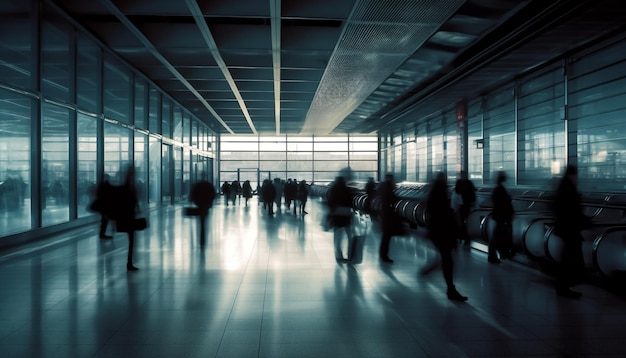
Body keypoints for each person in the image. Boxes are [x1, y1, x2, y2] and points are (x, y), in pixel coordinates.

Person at [426, 172, 467, 301]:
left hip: (438, 232)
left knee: (446, 258)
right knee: (447, 259)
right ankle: (451, 289)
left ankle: (450, 287)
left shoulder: (434, 194)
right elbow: (446, 214)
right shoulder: (442, 194)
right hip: (443, 232)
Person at [553, 165, 591, 298]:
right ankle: (565, 284)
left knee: (568, 256)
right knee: (572, 257)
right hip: (570, 228)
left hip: (566, 227)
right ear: (573, 175)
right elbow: (572, 210)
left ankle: (563, 285)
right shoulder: (568, 188)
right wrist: (585, 220)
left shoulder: (563, 186)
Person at [114, 167, 141, 271]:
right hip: (129, 217)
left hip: (126, 216)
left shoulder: (123, 188)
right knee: (132, 241)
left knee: (131, 241)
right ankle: (129, 263)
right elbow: (134, 202)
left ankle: (129, 262)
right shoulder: (130, 188)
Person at [488, 171, 514, 264]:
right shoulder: (501, 190)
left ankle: (499, 253)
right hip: (501, 215)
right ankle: (496, 255)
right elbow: (504, 204)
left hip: (498, 215)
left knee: (497, 235)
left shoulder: (497, 189)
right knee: (497, 235)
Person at [327, 176, 354, 262]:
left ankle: (339, 256)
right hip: (346, 215)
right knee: (350, 236)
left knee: (338, 238)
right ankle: (350, 255)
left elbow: (330, 203)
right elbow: (351, 202)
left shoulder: (333, 190)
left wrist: (331, 213)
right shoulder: (347, 190)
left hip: (337, 216)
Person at [190, 172, 216, 246]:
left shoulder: (198, 185)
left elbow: (193, 194)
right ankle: (203, 238)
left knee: (201, 221)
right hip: (206, 205)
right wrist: (209, 201)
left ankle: (201, 237)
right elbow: (213, 194)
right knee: (203, 220)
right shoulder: (208, 185)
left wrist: (194, 201)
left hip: (199, 204)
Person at [378, 174, 399, 263]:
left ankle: (383, 254)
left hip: (384, 213)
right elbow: (392, 198)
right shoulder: (389, 187)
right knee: (387, 236)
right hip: (388, 214)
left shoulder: (383, 187)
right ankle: (384, 255)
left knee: (385, 236)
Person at [455, 170, 476, 246]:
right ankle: (464, 237)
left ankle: (462, 237)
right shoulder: (468, 183)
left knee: (462, 221)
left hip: (463, 205)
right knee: (464, 221)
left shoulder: (459, 183)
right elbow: (472, 194)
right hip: (464, 205)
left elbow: (456, 192)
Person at [96, 174, 113, 239]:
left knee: (104, 220)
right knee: (105, 220)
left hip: (104, 206)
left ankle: (102, 233)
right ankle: (102, 234)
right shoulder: (106, 185)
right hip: (105, 206)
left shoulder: (102, 185)